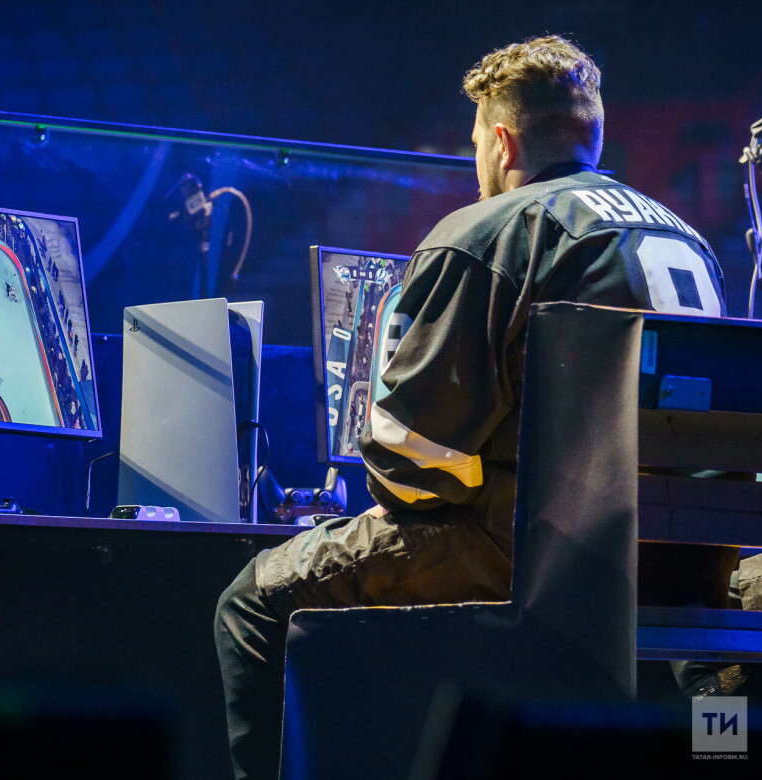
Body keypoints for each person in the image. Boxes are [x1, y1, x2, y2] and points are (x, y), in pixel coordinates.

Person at [214, 35, 729, 780]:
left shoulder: (488, 231)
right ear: (591, 134)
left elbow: (409, 457)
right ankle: (725, 754)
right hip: (684, 561)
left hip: (545, 556)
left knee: (255, 601)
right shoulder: (686, 236)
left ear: (502, 140)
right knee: (710, 659)